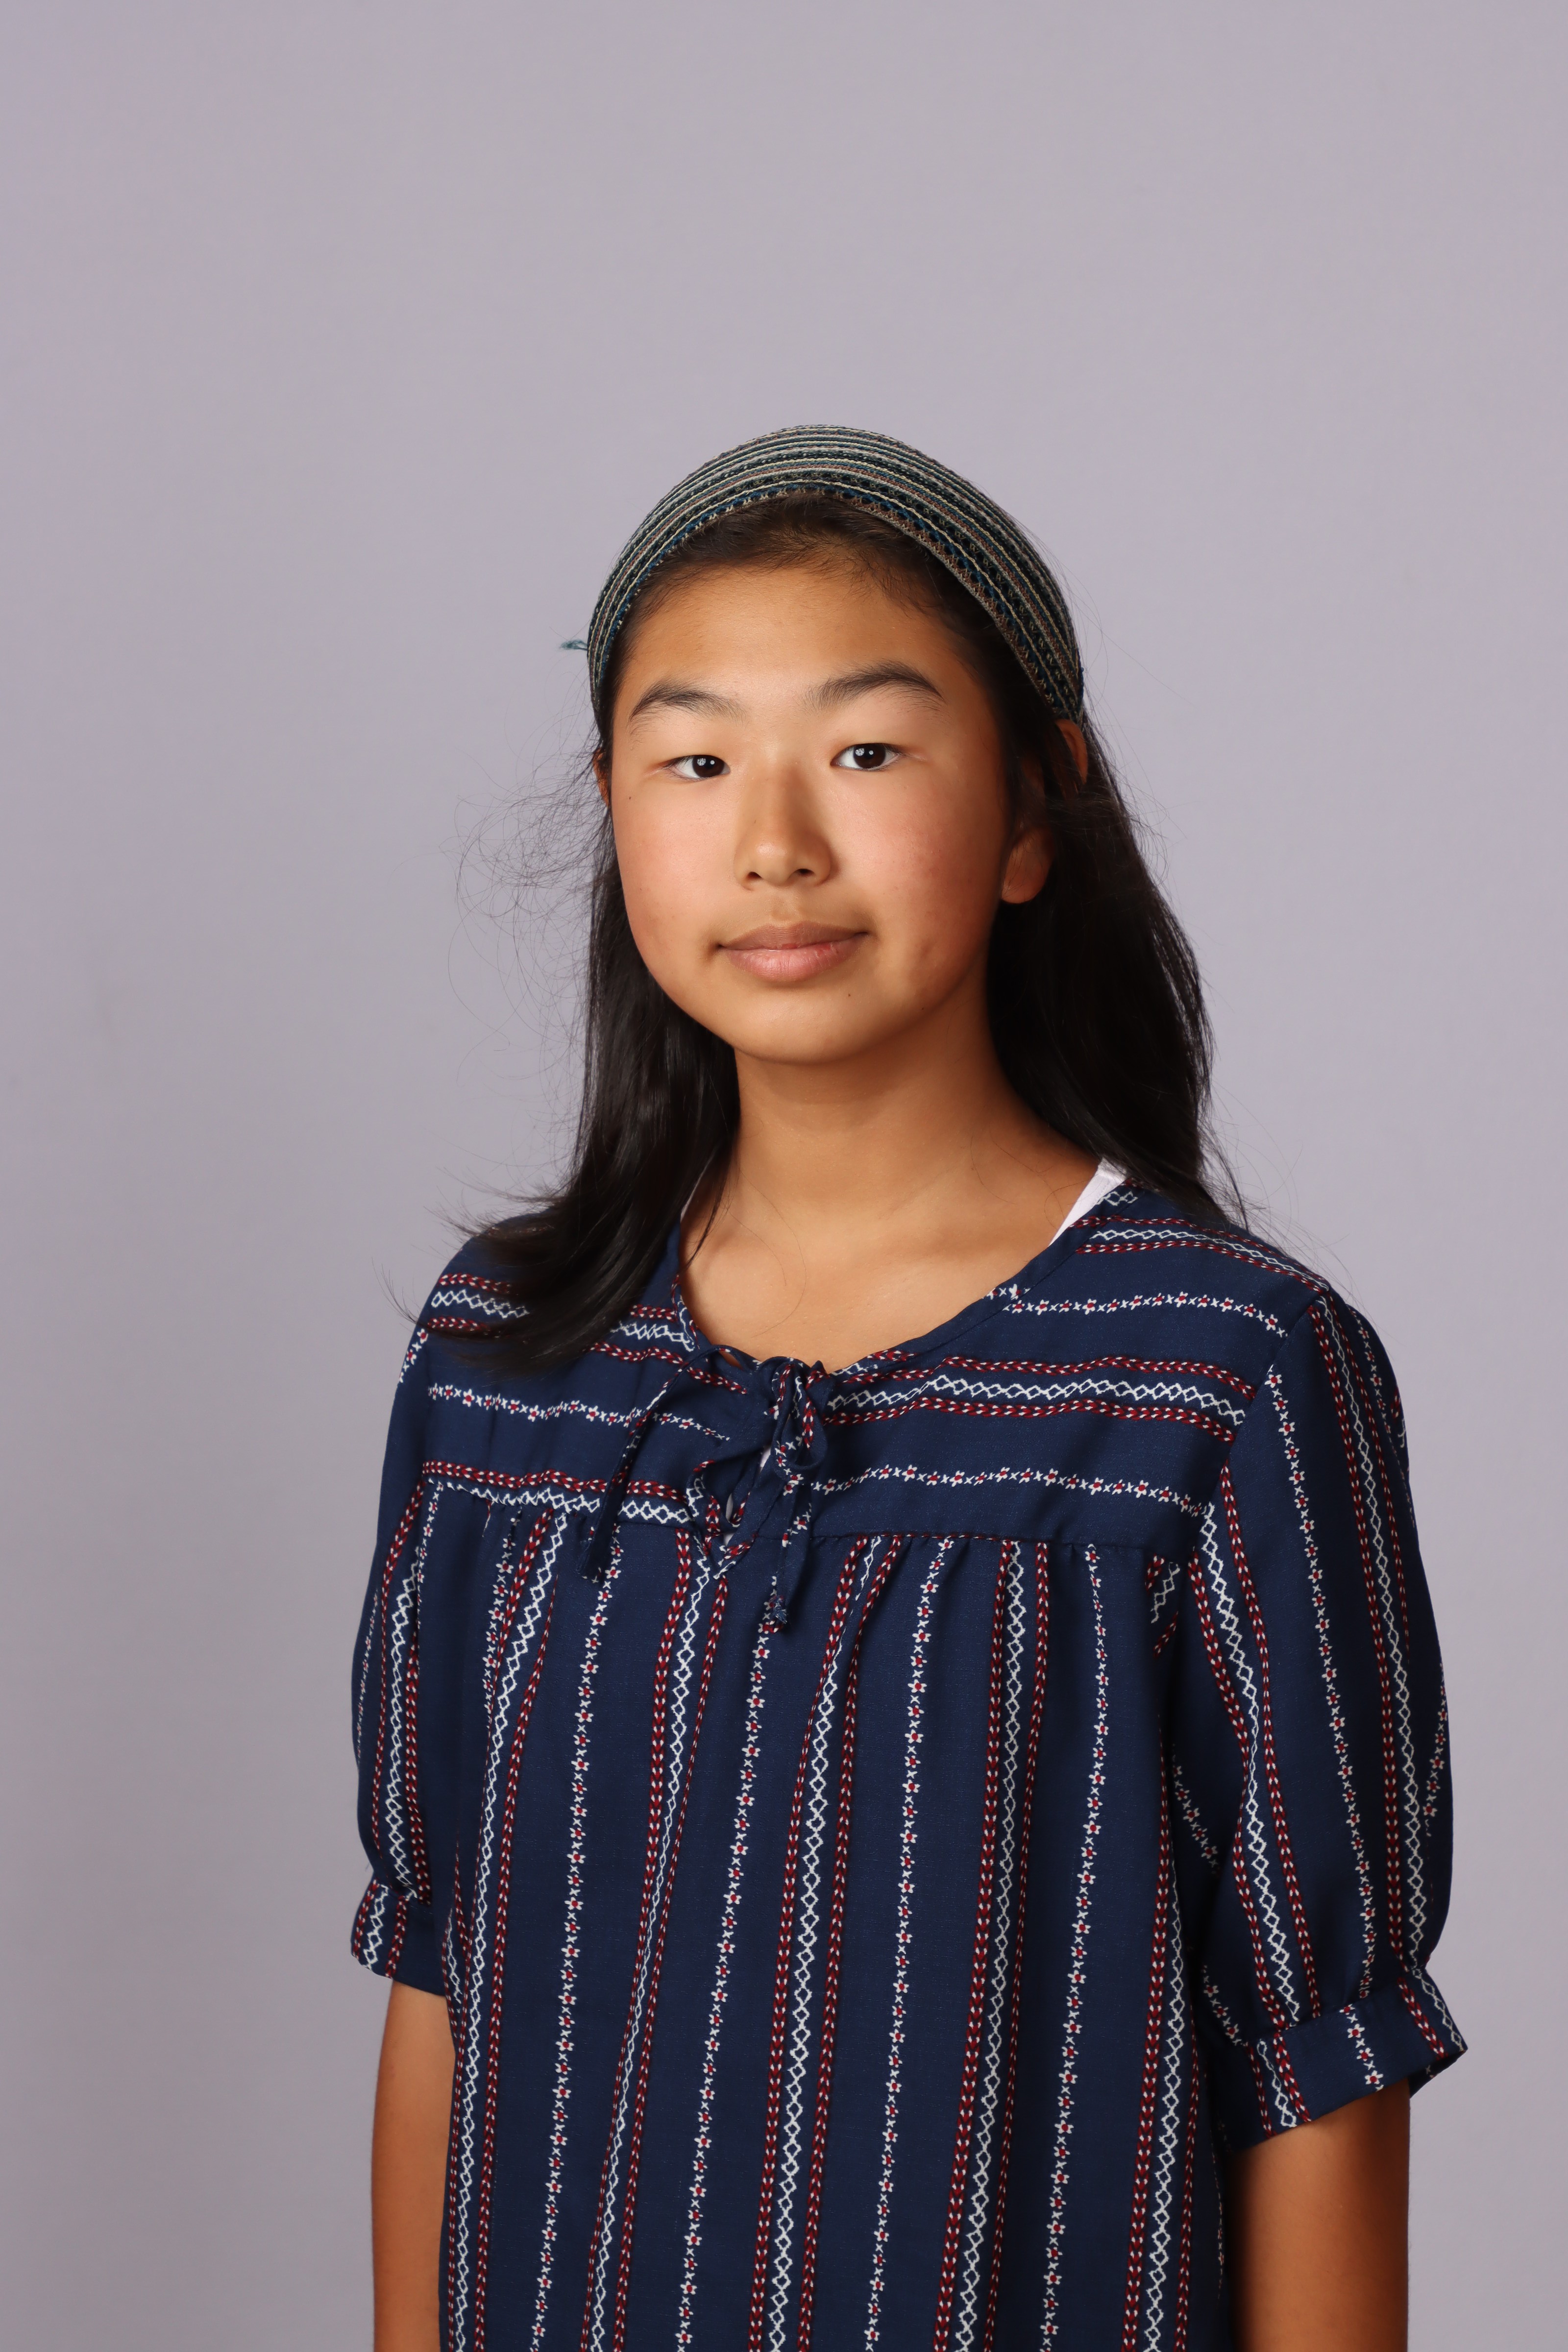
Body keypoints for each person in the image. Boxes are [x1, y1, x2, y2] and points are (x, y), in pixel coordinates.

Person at [353, 426, 1461, 2352]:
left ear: (1035, 810)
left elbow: (1317, 2062)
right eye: (694, 760)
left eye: (866, 752)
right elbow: (443, 1979)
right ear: (614, 811)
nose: (776, 838)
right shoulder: (505, 1361)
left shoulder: (1219, 1375)